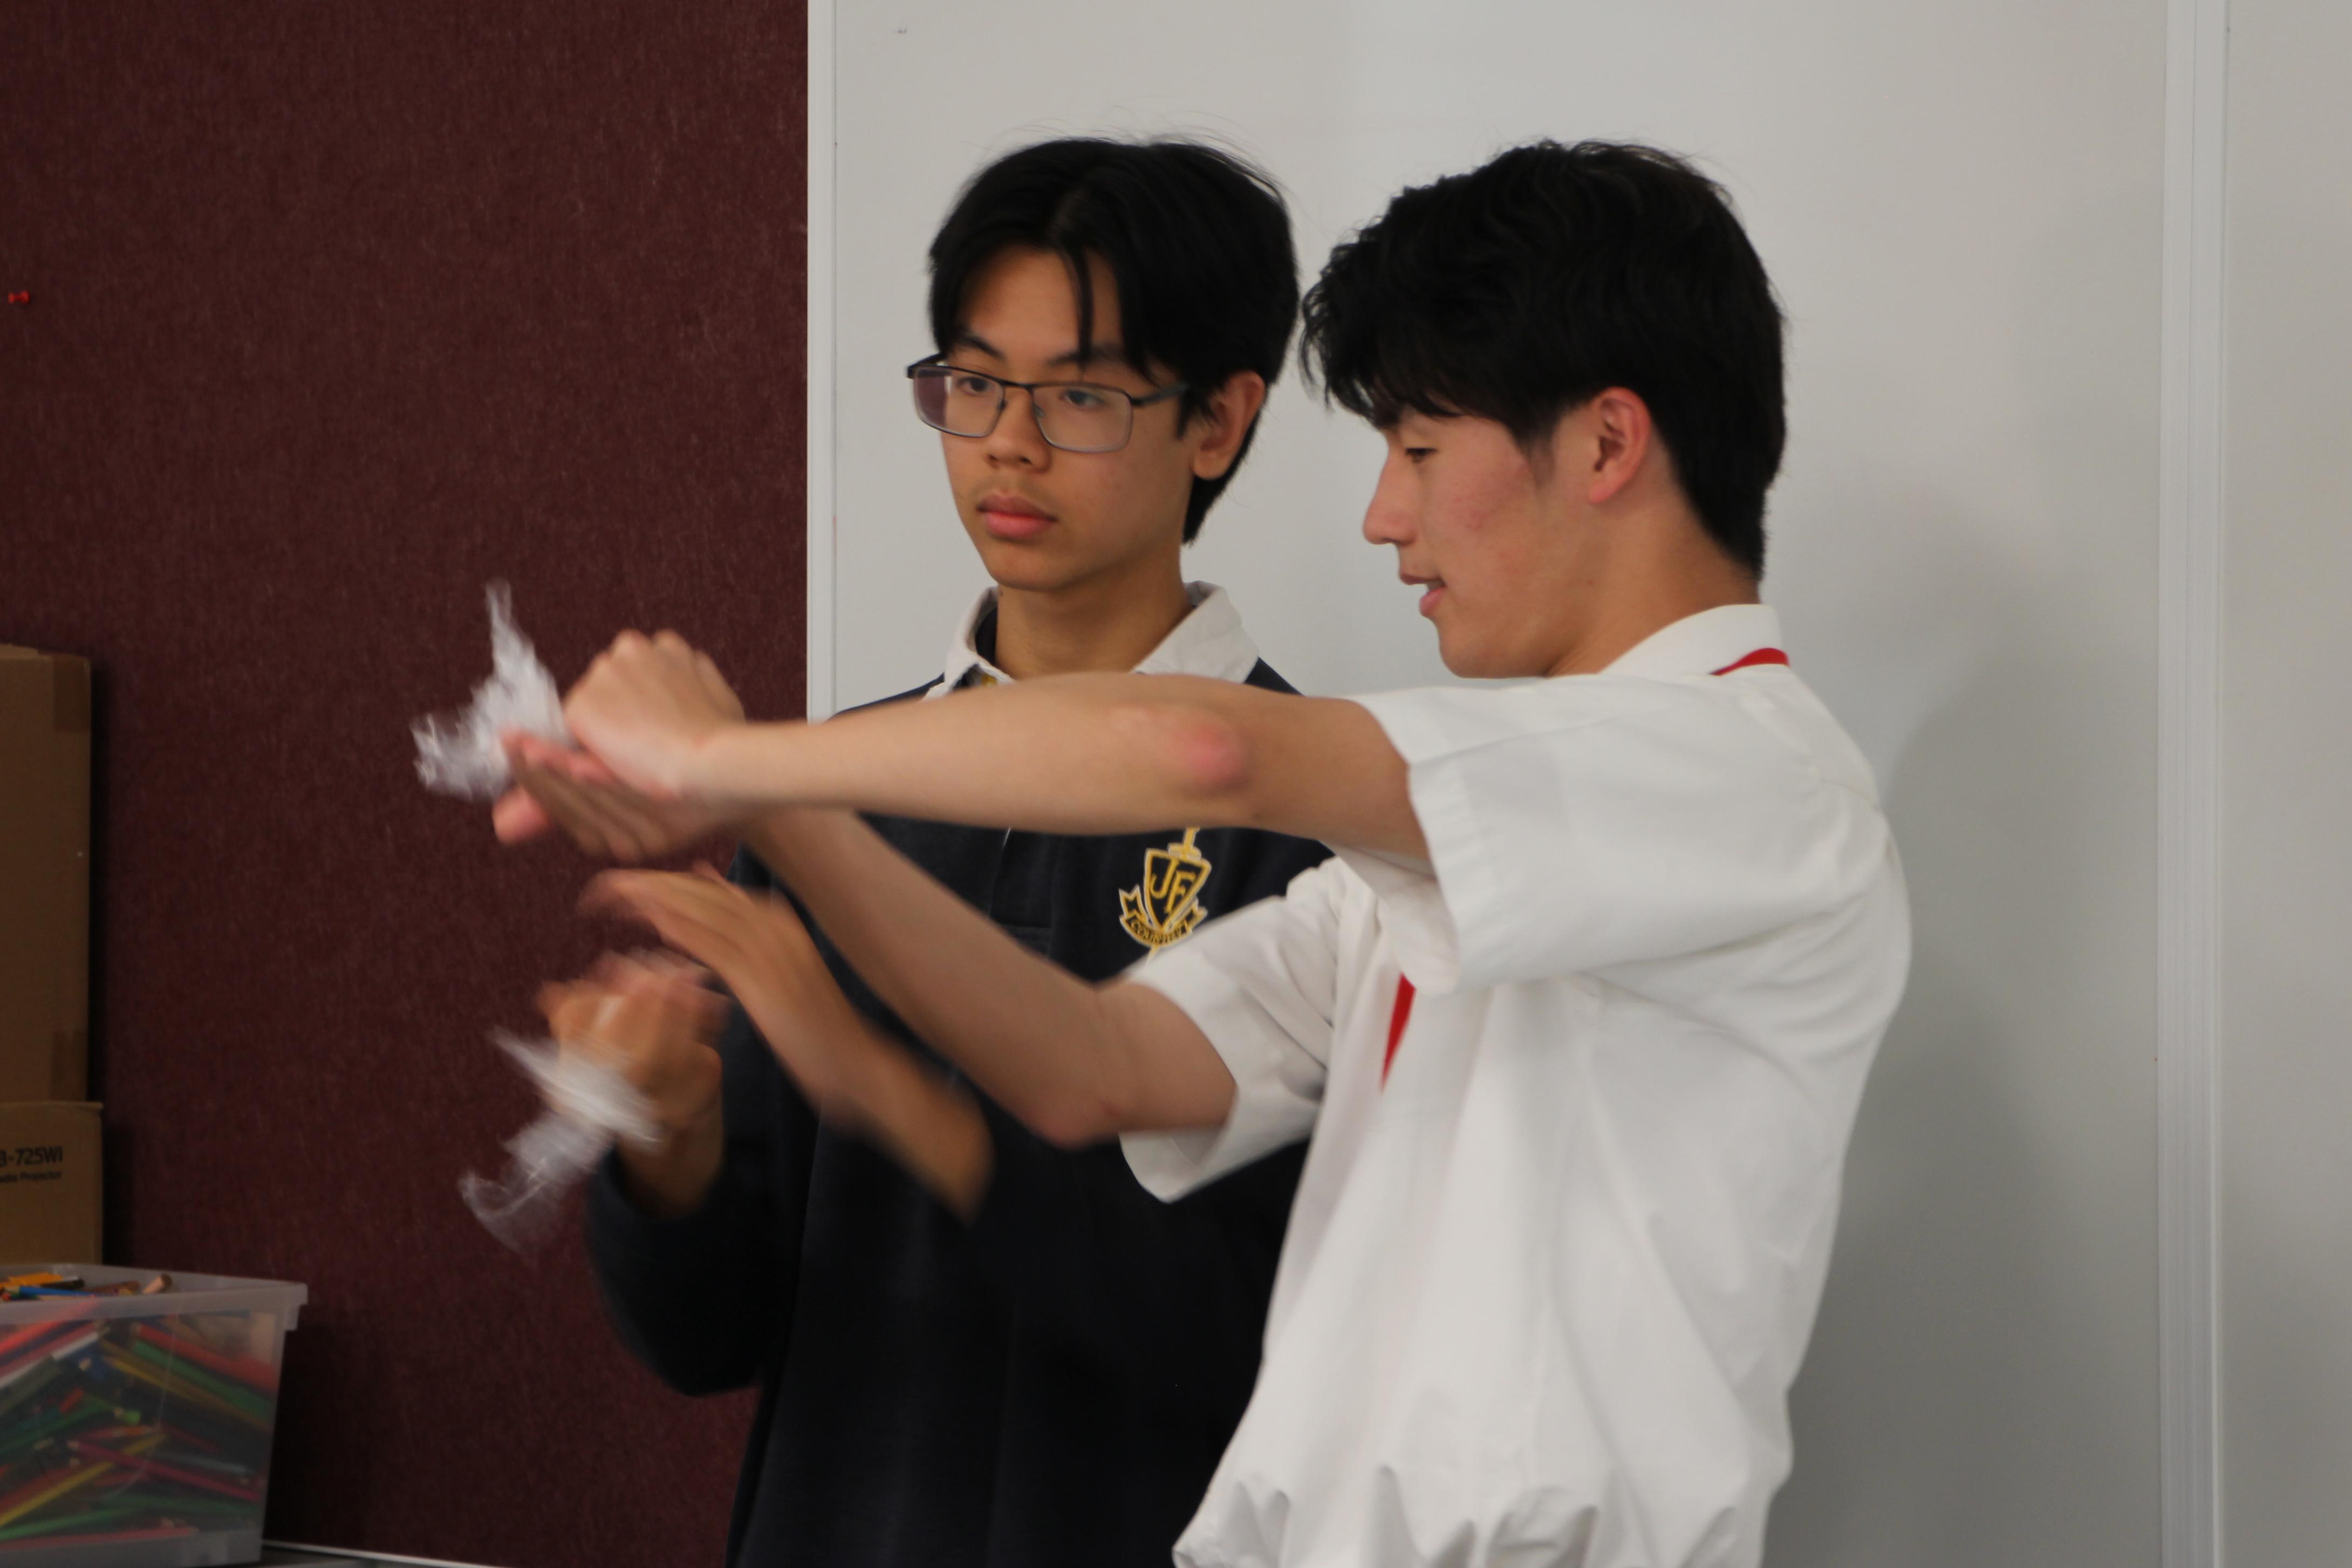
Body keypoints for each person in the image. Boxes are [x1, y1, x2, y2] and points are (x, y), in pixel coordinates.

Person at [511, 140, 1912, 1568]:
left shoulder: (1749, 775)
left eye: (1420, 451)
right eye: (976, 385)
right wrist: (805, 882)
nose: (1383, 515)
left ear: (1607, 446)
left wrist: (730, 761)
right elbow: (1091, 1065)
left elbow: (1207, 756)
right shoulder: (1431, 861)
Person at [537, 136, 1331, 1568]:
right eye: (973, 383)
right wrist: (667, 1135)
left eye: (1079, 395)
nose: (1008, 444)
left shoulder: (1323, 824)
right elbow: (707, 1339)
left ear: (1218, 421)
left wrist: (892, 1092)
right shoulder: (831, 788)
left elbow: (1259, 1345)